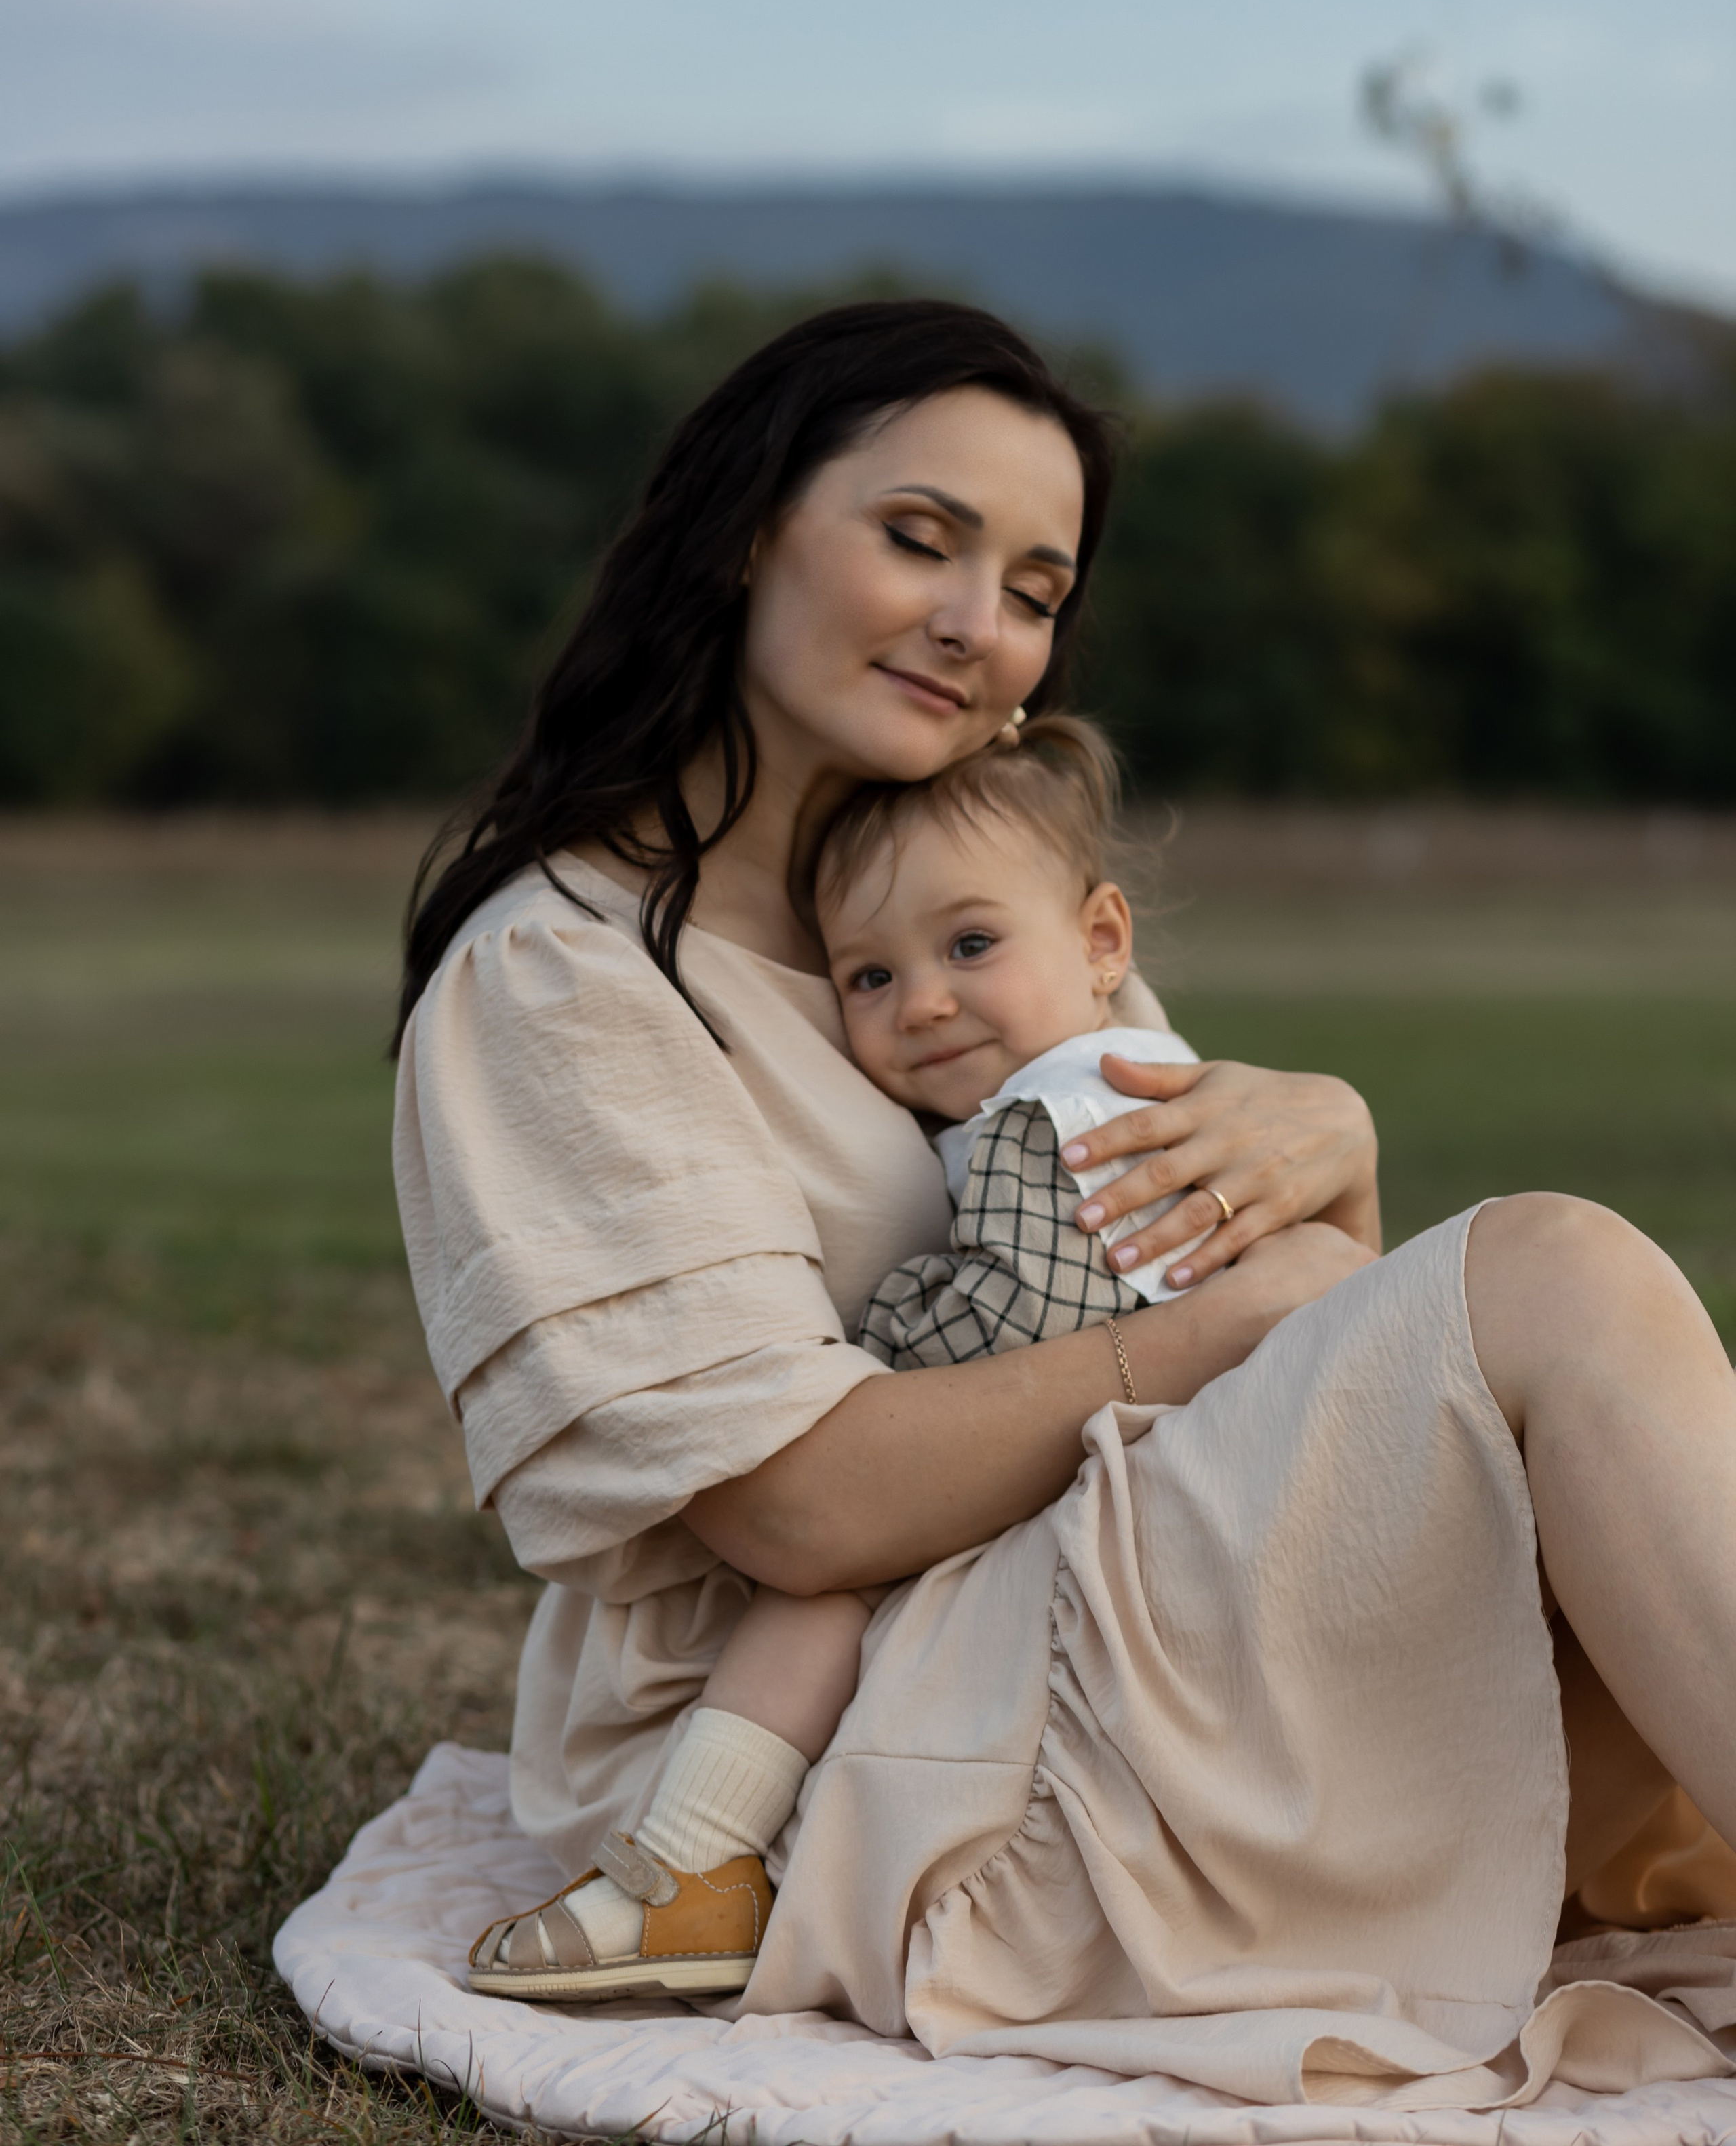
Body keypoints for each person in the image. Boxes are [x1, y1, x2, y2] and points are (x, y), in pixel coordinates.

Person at [396, 299, 1736, 2101]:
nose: (980, 625)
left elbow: (1287, 1308)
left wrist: (1327, 1138)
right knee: (1558, 1276)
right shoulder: (559, 976)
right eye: (920, 540)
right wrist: (1230, 1323)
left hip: (1094, 1555)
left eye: (1035, 586)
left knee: (1570, 1403)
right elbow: (794, 1512)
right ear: (741, 533)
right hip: (819, 1723)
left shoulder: (992, 902)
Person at [467, 709, 1219, 2000]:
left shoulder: (1079, 1109)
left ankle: (695, 1862)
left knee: (823, 1582)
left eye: (970, 945)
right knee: (836, 1566)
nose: (920, 1001)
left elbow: (1023, 1308)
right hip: (1103, 1464)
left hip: (1143, 1491)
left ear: (1103, 942)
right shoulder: (1047, 1088)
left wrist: (856, 1377)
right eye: (868, 978)